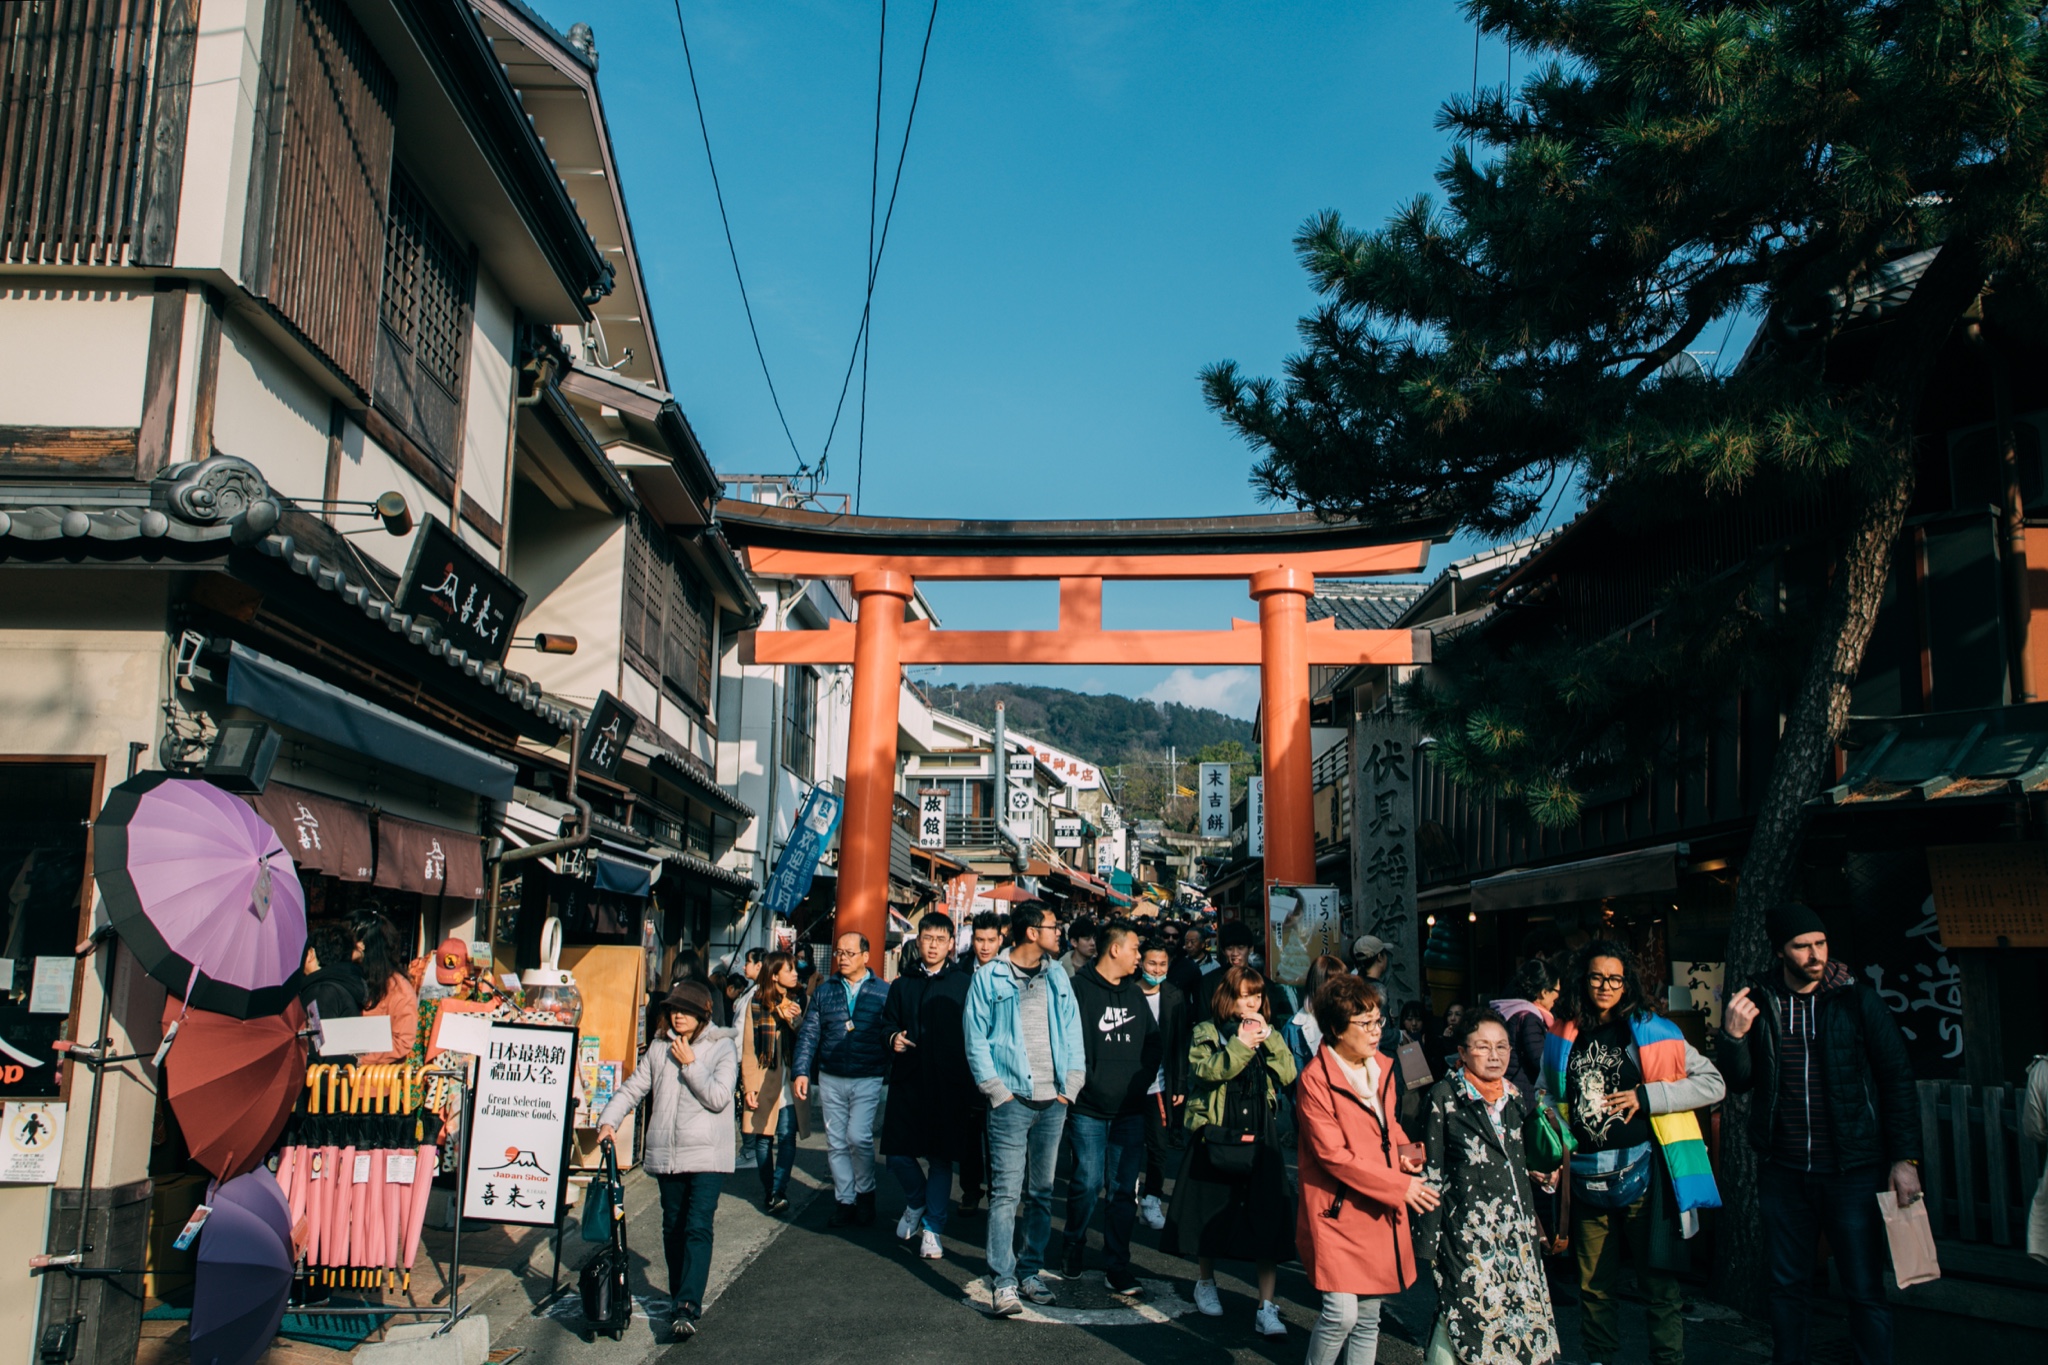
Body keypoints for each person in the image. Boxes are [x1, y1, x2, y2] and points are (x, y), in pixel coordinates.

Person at [1718, 904, 1921, 1365]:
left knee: (1863, 1287)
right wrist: (1732, 1038)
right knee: (1787, 1288)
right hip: (1784, 1171)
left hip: (1851, 1168)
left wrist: (1904, 1159)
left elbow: (1896, 1078)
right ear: (1780, 951)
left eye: (1820, 943)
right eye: (1802, 946)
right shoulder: (1761, 999)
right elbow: (1741, 1080)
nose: (1815, 955)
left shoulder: (1857, 998)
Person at [1546, 940, 1724, 1365]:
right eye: (1596, 977)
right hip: (1586, 1178)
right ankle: (1599, 1359)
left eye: (1614, 978)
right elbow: (1545, 1092)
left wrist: (1648, 1096)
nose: (1605, 986)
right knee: (1594, 1286)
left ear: (1627, 984)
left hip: (1645, 1175)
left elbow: (1713, 1082)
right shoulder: (1563, 1032)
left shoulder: (1653, 1029)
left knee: (1659, 1285)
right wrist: (1551, 1127)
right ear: (1582, 979)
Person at [1296, 974, 1437, 1365]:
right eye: (1366, 1023)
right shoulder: (1314, 1080)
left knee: (1369, 1317)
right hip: (1336, 1209)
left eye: (1379, 1021)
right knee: (1341, 1313)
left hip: (1375, 1205)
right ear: (1337, 1029)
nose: (1377, 1032)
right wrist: (1399, 1187)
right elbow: (1333, 1156)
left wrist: (1408, 1153)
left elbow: (1389, 1125)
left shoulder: (1382, 1067)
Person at [1416, 1008, 1560, 1365]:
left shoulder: (1515, 1097)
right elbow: (1429, 1172)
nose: (1494, 1055)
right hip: (1465, 1230)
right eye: (1482, 1047)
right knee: (1463, 1310)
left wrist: (1541, 1175)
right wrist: (1427, 1244)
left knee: (1518, 1323)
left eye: (1502, 1047)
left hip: (1515, 1231)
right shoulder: (1443, 1097)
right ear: (1462, 1052)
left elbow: (1518, 1160)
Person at [963, 901, 1086, 1317]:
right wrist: (996, 1090)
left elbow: (1073, 1030)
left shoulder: (1057, 976)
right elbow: (975, 1038)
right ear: (1032, 932)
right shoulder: (988, 976)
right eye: (1054, 924)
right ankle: (1004, 1280)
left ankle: (1030, 1269)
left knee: (1041, 1192)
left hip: (1054, 1101)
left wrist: (1069, 1088)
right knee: (1004, 1193)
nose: (1059, 933)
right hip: (1010, 1101)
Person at [1163, 965, 1297, 1337]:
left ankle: (1266, 1305)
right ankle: (1205, 1281)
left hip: (1260, 1127)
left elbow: (1287, 1075)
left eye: (1257, 995)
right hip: (1218, 1129)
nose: (1252, 1002)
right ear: (1228, 997)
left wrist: (1267, 1038)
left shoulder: (1268, 1032)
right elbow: (1206, 1072)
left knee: (1267, 1216)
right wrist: (1240, 1044)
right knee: (1210, 1209)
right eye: (1244, 995)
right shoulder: (1207, 1031)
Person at [596, 981, 734, 1341]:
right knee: (672, 1226)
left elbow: (719, 1098)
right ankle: (679, 1296)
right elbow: (633, 1088)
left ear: (703, 1013)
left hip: (707, 1155)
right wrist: (609, 1120)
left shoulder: (721, 1046)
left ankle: (687, 1305)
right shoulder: (659, 1048)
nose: (678, 1015)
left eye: (686, 1010)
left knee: (697, 1225)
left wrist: (691, 1065)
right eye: (674, 1009)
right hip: (667, 1153)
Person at [1062, 922, 1161, 1294]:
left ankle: (1117, 1264)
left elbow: (1154, 1042)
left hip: (1130, 1111)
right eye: (1136, 949)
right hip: (1088, 1107)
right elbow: (1068, 1043)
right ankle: (1073, 1243)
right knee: (1086, 1183)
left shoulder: (1136, 996)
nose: (1141, 957)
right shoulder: (1078, 989)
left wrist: (1141, 1079)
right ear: (1115, 949)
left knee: (1123, 1192)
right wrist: (1085, 1081)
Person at [880, 912, 978, 1260]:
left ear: (951, 944)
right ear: (917, 941)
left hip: (949, 1082)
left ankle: (933, 1229)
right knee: (897, 1153)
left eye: (940, 939)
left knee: (940, 1158)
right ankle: (916, 1201)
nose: (933, 945)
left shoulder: (964, 983)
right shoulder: (903, 983)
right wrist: (892, 1038)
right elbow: (886, 1023)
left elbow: (977, 1032)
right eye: (927, 938)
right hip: (908, 1080)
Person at [791, 931, 891, 1227]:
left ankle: (866, 1192)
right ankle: (845, 1200)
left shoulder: (882, 991)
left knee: (858, 1137)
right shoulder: (825, 991)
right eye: (839, 953)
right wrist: (801, 1070)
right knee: (835, 1142)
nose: (843, 959)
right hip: (831, 1074)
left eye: (849, 953)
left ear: (865, 956)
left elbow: (891, 1031)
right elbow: (810, 1032)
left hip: (868, 1074)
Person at [739, 951, 807, 1214]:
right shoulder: (756, 1002)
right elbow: (748, 1047)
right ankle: (770, 1191)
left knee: (788, 1137)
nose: (795, 974)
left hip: (790, 1079)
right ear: (775, 974)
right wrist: (748, 1086)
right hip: (763, 1077)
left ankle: (779, 1190)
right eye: (789, 970)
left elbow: (805, 1036)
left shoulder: (799, 999)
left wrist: (793, 1018)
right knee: (763, 1138)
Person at [956, 911, 1009, 1214]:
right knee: (969, 1134)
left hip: (1002, 1065)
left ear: (1001, 939)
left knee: (999, 1135)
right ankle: (970, 1189)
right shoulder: (961, 971)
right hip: (967, 1064)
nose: (985, 946)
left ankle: (1000, 1191)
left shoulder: (1011, 970)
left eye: (991, 940)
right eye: (979, 940)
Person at [1135, 936, 1189, 1231]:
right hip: (1128, 1085)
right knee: (1126, 1143)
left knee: (1158, 1145)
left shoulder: (1173, 995)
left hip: (1159, 1084)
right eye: (1151, 963)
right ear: (1140, 962)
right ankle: (1127, 1191)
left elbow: (1180, 1043)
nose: (1156, 969)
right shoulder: (1128, 992)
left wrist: (1179, 1084)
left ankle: (1152, 1198)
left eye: (1162, 964)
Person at [351, 913, 418, 1066]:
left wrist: (360, 1058)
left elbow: (403, 1040)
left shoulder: (399, 989)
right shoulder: (351, 976)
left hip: (374, 1083)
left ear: (362, 944)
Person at [1492, 958, 1562, 1102]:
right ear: (1543, 992)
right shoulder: (1529, 1017)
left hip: (1505, 1086)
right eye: (1556, 991)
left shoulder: (1509, 1009)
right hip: (1521, 1092)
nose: (1558, 996)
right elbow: (1540, 1061)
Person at [299, 922, 367, 1052]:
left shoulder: (322, 991)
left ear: (311, 953)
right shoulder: (344, 985)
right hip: (342, 1070)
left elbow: (317, 1045)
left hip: (323, 1071)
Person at [1283, 955, 1352, 1078]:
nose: (1342, 991)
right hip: (1309, 1095)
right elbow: (1288, 1080)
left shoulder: (1356, 1021)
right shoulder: (1294, 1029)